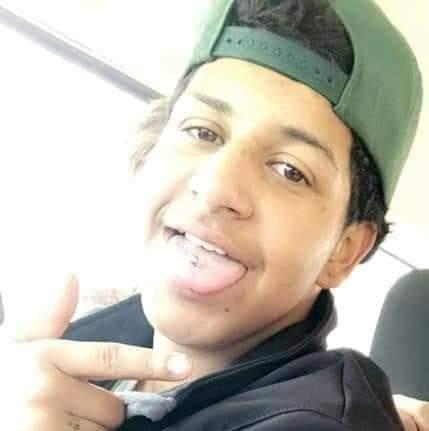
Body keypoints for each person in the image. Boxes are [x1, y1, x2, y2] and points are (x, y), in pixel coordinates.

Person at [2, 0, 427, 430]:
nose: (215, 187)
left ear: (344, 250)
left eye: (289, 171)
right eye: (202, 131)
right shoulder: (86, 339)